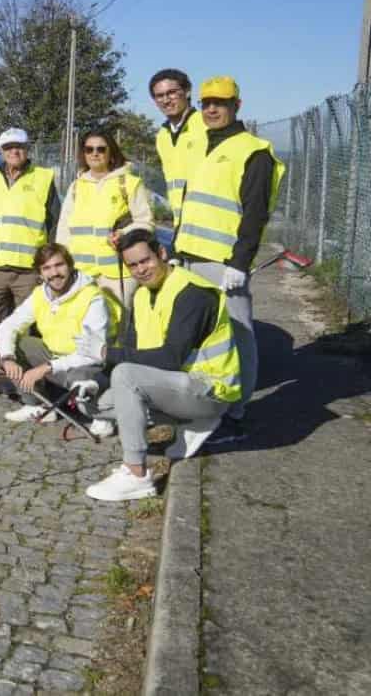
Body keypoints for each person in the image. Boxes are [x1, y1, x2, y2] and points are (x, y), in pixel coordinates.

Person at [85, 229, 242, 502]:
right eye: (132, 265)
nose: (140, 270)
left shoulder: (193, 294)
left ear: (162, 254)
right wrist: (93, 381)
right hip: (173, 386)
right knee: (96, 403)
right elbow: (133, 352)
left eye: (145, 260)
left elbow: (169, 359)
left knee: (125, 376)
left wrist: (106, 353)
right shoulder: (142, 296)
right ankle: (190, 423)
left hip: (210, 390)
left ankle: (136, 474)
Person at [171, 76, 285, 443]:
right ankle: (206, 405)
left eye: (220, 102)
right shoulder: (201, 144)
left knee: (238, 337)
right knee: (205, 339)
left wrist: (239, 263)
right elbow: (190, 204)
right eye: (206, 103)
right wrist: (177, 249)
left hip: (223, 264)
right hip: (191, 257)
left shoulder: (254, 151)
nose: (212, 109)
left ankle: (236, 414)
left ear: (237, 105)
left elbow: (255, 214)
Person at [0, 127, 60, 395]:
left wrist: (50, 263)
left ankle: (25, 376)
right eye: (8, 148)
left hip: (28, 270)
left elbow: (53, 223)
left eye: (19, 147)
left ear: (27, 148)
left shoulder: (43, 178)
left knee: (26, 326)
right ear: (1, 151)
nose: (14, 152)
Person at [0, 243, 116, 435]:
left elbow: (93, 355)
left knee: (83, 381)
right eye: (47, 268)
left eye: (59, 265)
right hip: (54, 357)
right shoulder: (40, 294)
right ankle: (39, 406)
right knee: (17, 344)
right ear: (40, 273)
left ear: (69, 265)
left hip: (85, 365)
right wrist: (8, 359)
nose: (54, 273)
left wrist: (47, 368)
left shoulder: (92, 297)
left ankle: (101, 416)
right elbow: (7, 326)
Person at [56, 128, 154, 307]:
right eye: (89, 149)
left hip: (117, 274)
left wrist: (124, 233)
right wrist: (62, 267)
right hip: (81, 274)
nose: (95, 154)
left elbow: (146, 222)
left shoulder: (129, 184)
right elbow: (63, 232)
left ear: (111, 153)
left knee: (115, 331)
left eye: (101, 149)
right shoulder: (76, 187)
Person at [150, 68, 206, 229]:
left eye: (172, 93)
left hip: (210, 226)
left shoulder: (206, 126)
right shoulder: (163, 136)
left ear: (187, 92)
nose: (166, 100)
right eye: (159, 96)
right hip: (181, 226)